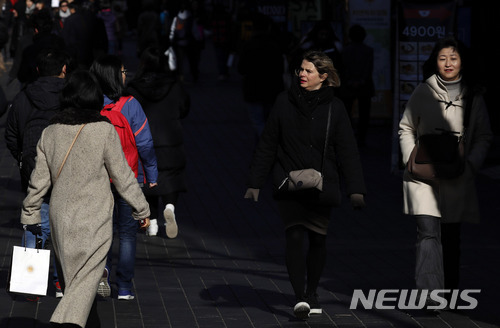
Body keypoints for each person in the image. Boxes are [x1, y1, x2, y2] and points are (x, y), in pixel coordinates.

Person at [20, 70, 150, 328]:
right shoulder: (104, 131)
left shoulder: (50, 132)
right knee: (82, 289)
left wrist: (30, 213)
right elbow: (123, 176)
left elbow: (39, 181)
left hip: (62, 220)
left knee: (76, 288)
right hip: (95, 220)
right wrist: (142, 209)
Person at [244, 50, 366, 319]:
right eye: (300, 69)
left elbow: (347, 150)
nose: (302, 74)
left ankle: (312, 291)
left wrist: (355, 189)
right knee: (294, 236)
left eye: (309, 71)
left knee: (318, 239)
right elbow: (268, 143)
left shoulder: (335, 108)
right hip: (289, 182)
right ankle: (300, 296)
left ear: (323, 77)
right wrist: (255, 182)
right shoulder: (283, 102)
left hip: (322, 184)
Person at [398, 36, 492, 307]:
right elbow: (405, 127)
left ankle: (450, 292)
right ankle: (431, 294)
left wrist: (471, 164)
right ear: (435, 62)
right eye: (442, 58)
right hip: (423, 176)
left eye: (454, 57)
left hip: (457, 176)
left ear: (463, 61)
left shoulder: (474, 97)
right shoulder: (422, 91)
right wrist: (408, 159)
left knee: (451, 237)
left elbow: (484, 136)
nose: (448, 63)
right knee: (428, 234)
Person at [5, 48, 71, 299]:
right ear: (64, 70)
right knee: (63, 227)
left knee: (34, 223)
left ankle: (31, 283)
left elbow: (11, 135)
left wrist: (23, 159)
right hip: (65, 170)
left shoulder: (23, 98)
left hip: (33, 171)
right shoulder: (69, 97)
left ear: (37, 70)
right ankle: (59, 282)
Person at [90, 54, 158, 300]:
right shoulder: (131, 105)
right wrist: (151, 174)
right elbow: (145, 143)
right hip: (129, 178)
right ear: (113, 75)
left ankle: (102, 270)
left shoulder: (91, 103)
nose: (125, 74)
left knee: (102, 230)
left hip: (99, 178)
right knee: (128, 234)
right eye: (121, 70)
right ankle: (125, 288)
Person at [127, 46, 190, 238]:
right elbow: (185, 109)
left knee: (148, 181)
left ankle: (152, 222)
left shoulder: (133, 88)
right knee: (171, 177)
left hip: (144, 142)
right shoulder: (174, 86)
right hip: (170, 140)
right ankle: (169, 207)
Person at [237, 12, 284, 140]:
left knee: (258, 121)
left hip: (253, 90)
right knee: (269, 120)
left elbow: (241, 68)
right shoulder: (274, 46)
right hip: (272, 89)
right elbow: (280, 68)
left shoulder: (248, 46)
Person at [340, 24, 374, 146]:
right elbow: (368, 68)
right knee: (364, 113)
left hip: (348, 85)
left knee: (347, 112)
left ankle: (348, 136)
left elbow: (344, 68)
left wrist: (350, 80)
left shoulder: (344, 51)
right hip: (364, 86)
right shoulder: (369, 51)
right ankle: (362, 137)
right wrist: (361, 80)